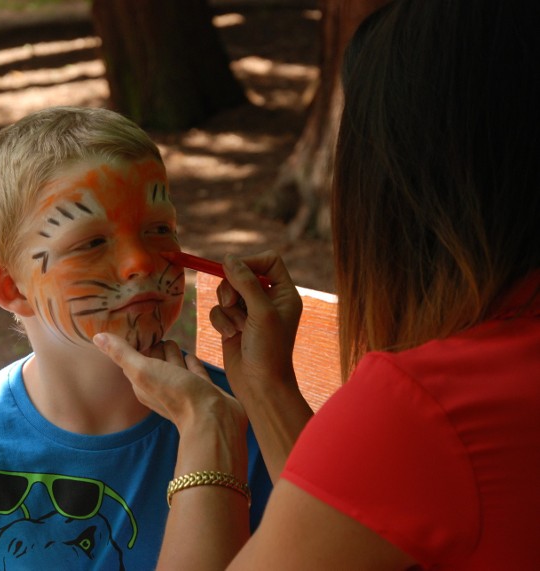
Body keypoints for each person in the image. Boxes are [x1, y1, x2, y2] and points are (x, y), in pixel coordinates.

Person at [93, 1, 540, 569]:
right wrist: (266, 385)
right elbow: (363, 510)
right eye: (90, 243)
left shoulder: (430, 407)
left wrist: (208, 427)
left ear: (395, 180)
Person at [0, 106, 273, 569]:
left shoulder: (246, 421)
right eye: (92, 242)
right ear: (13, 287)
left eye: (159, 229)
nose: (141, 261)